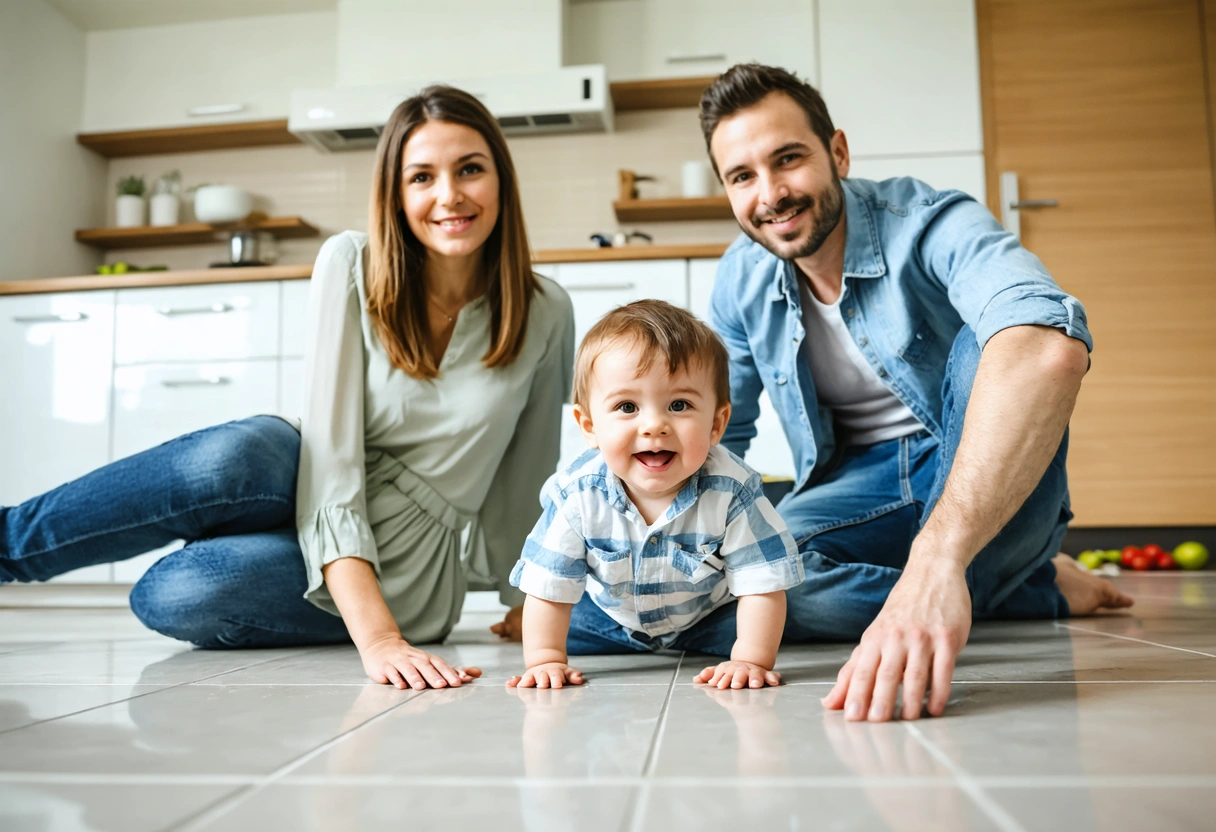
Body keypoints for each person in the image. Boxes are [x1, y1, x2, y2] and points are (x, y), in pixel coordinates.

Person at [0, 85, 575, 692]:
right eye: (421, 177)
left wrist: (529, 598)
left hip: (408, 563)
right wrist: (376, 639)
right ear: (396, 194)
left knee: (179, 590)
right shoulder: (351, 262)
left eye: (470, 170)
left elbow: (528, 473)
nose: (449, 195)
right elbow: (330, 458)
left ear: (501, 181)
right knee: (239, 453)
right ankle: (8, 545)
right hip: (306, 476)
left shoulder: (545, 310)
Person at [698, 64, 1133, 722]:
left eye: (788, 160)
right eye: (742, 176)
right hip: (855, 484)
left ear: (837, 152)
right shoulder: (740, 278)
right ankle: (1022, 588)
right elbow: (720, 433)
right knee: (748, 581)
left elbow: (1049, 346)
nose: (771, 194)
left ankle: (953, 575)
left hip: (966, 458)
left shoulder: (930, 221)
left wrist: (937, 558)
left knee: (1000, 336)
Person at [506, 300, 802, 690]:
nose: (654, 426)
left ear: (716, 424)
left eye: (679, 405)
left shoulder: (732, 489)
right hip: (607, 622)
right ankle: (520, 625)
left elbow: (761, 582)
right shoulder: (578, 493)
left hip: (705, 619)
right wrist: (545, 659)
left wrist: (749, 659)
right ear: (589, 426)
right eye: (627, 406)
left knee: (777, 611)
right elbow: (550, 587)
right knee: (550, 609)